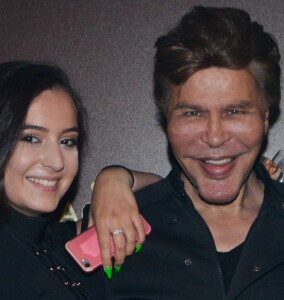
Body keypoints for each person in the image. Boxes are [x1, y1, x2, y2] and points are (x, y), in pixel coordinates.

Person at [85, 5, 284, 299]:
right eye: (192, 113)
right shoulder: (110, 235)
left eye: (234, 111)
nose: (215, 137)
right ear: (167, 119)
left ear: (266, 116)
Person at [0, 60, 161, 299]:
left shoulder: (62, 242)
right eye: (31, 138)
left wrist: (113, 179)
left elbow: (162, 191)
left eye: (67, 141)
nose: (56, 161)